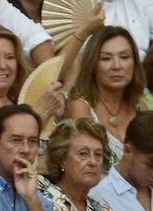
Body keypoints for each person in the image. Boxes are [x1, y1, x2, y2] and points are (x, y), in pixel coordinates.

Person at [65, 26, 151, 161]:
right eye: (106, 58)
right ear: (92, 64)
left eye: (124, 57)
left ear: (135, 63)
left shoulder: (141, 107)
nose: (117, 66)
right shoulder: (80, 108)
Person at [37, 119, 123, 211]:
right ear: (62, 159)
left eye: (98, 154)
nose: (93, 162)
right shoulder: (46, 201)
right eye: (83, 154)